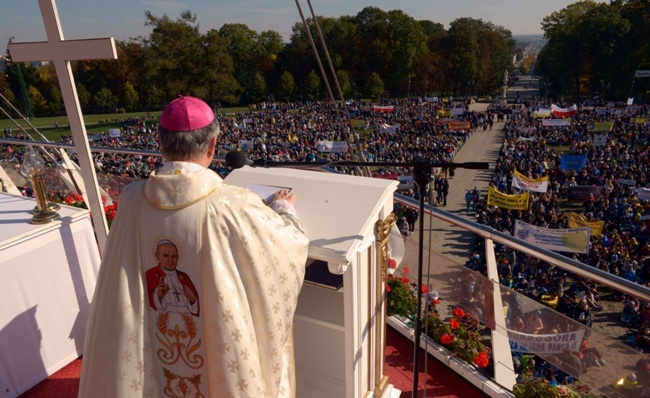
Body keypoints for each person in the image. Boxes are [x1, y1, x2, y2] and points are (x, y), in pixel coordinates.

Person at [79, 96, 310, 397]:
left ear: (161, 142)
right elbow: (287, 246)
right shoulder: (231, 203)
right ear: (213, 145)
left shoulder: (133, 199)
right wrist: (282, 207)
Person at [145, 239, 199, 315]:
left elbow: (196, 311)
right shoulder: (150, 275)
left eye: (174, 256)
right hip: (162, 322)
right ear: (157, 256)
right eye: (166, 255)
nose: (170, 260)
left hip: (185, 322)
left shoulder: (184, 277)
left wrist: (193, 300)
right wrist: (158, 296)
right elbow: (145, 305)